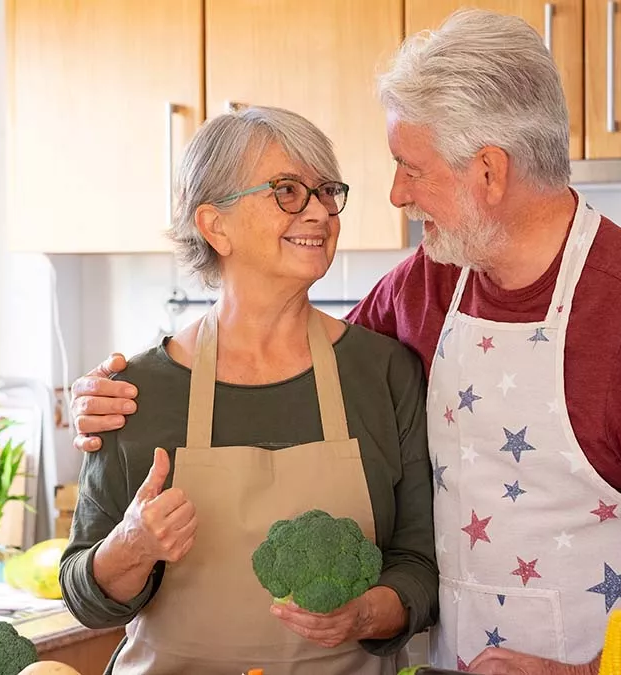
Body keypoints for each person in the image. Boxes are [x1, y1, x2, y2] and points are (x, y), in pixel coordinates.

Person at [68, 9, 621, 675]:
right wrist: (106, 395)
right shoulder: (423, 290)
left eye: (412, 167)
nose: (396, 195)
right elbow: (291, 352)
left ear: (490, 174)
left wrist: (601, 671)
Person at [57, 104, 441, 675]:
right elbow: (83, 594)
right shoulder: (133, 393)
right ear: (215, 226)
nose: (319, 213)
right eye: (287, 190)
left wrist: (363, 615)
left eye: (326, 191)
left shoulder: (383, 373)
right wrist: (133, 546)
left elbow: (419, 565)